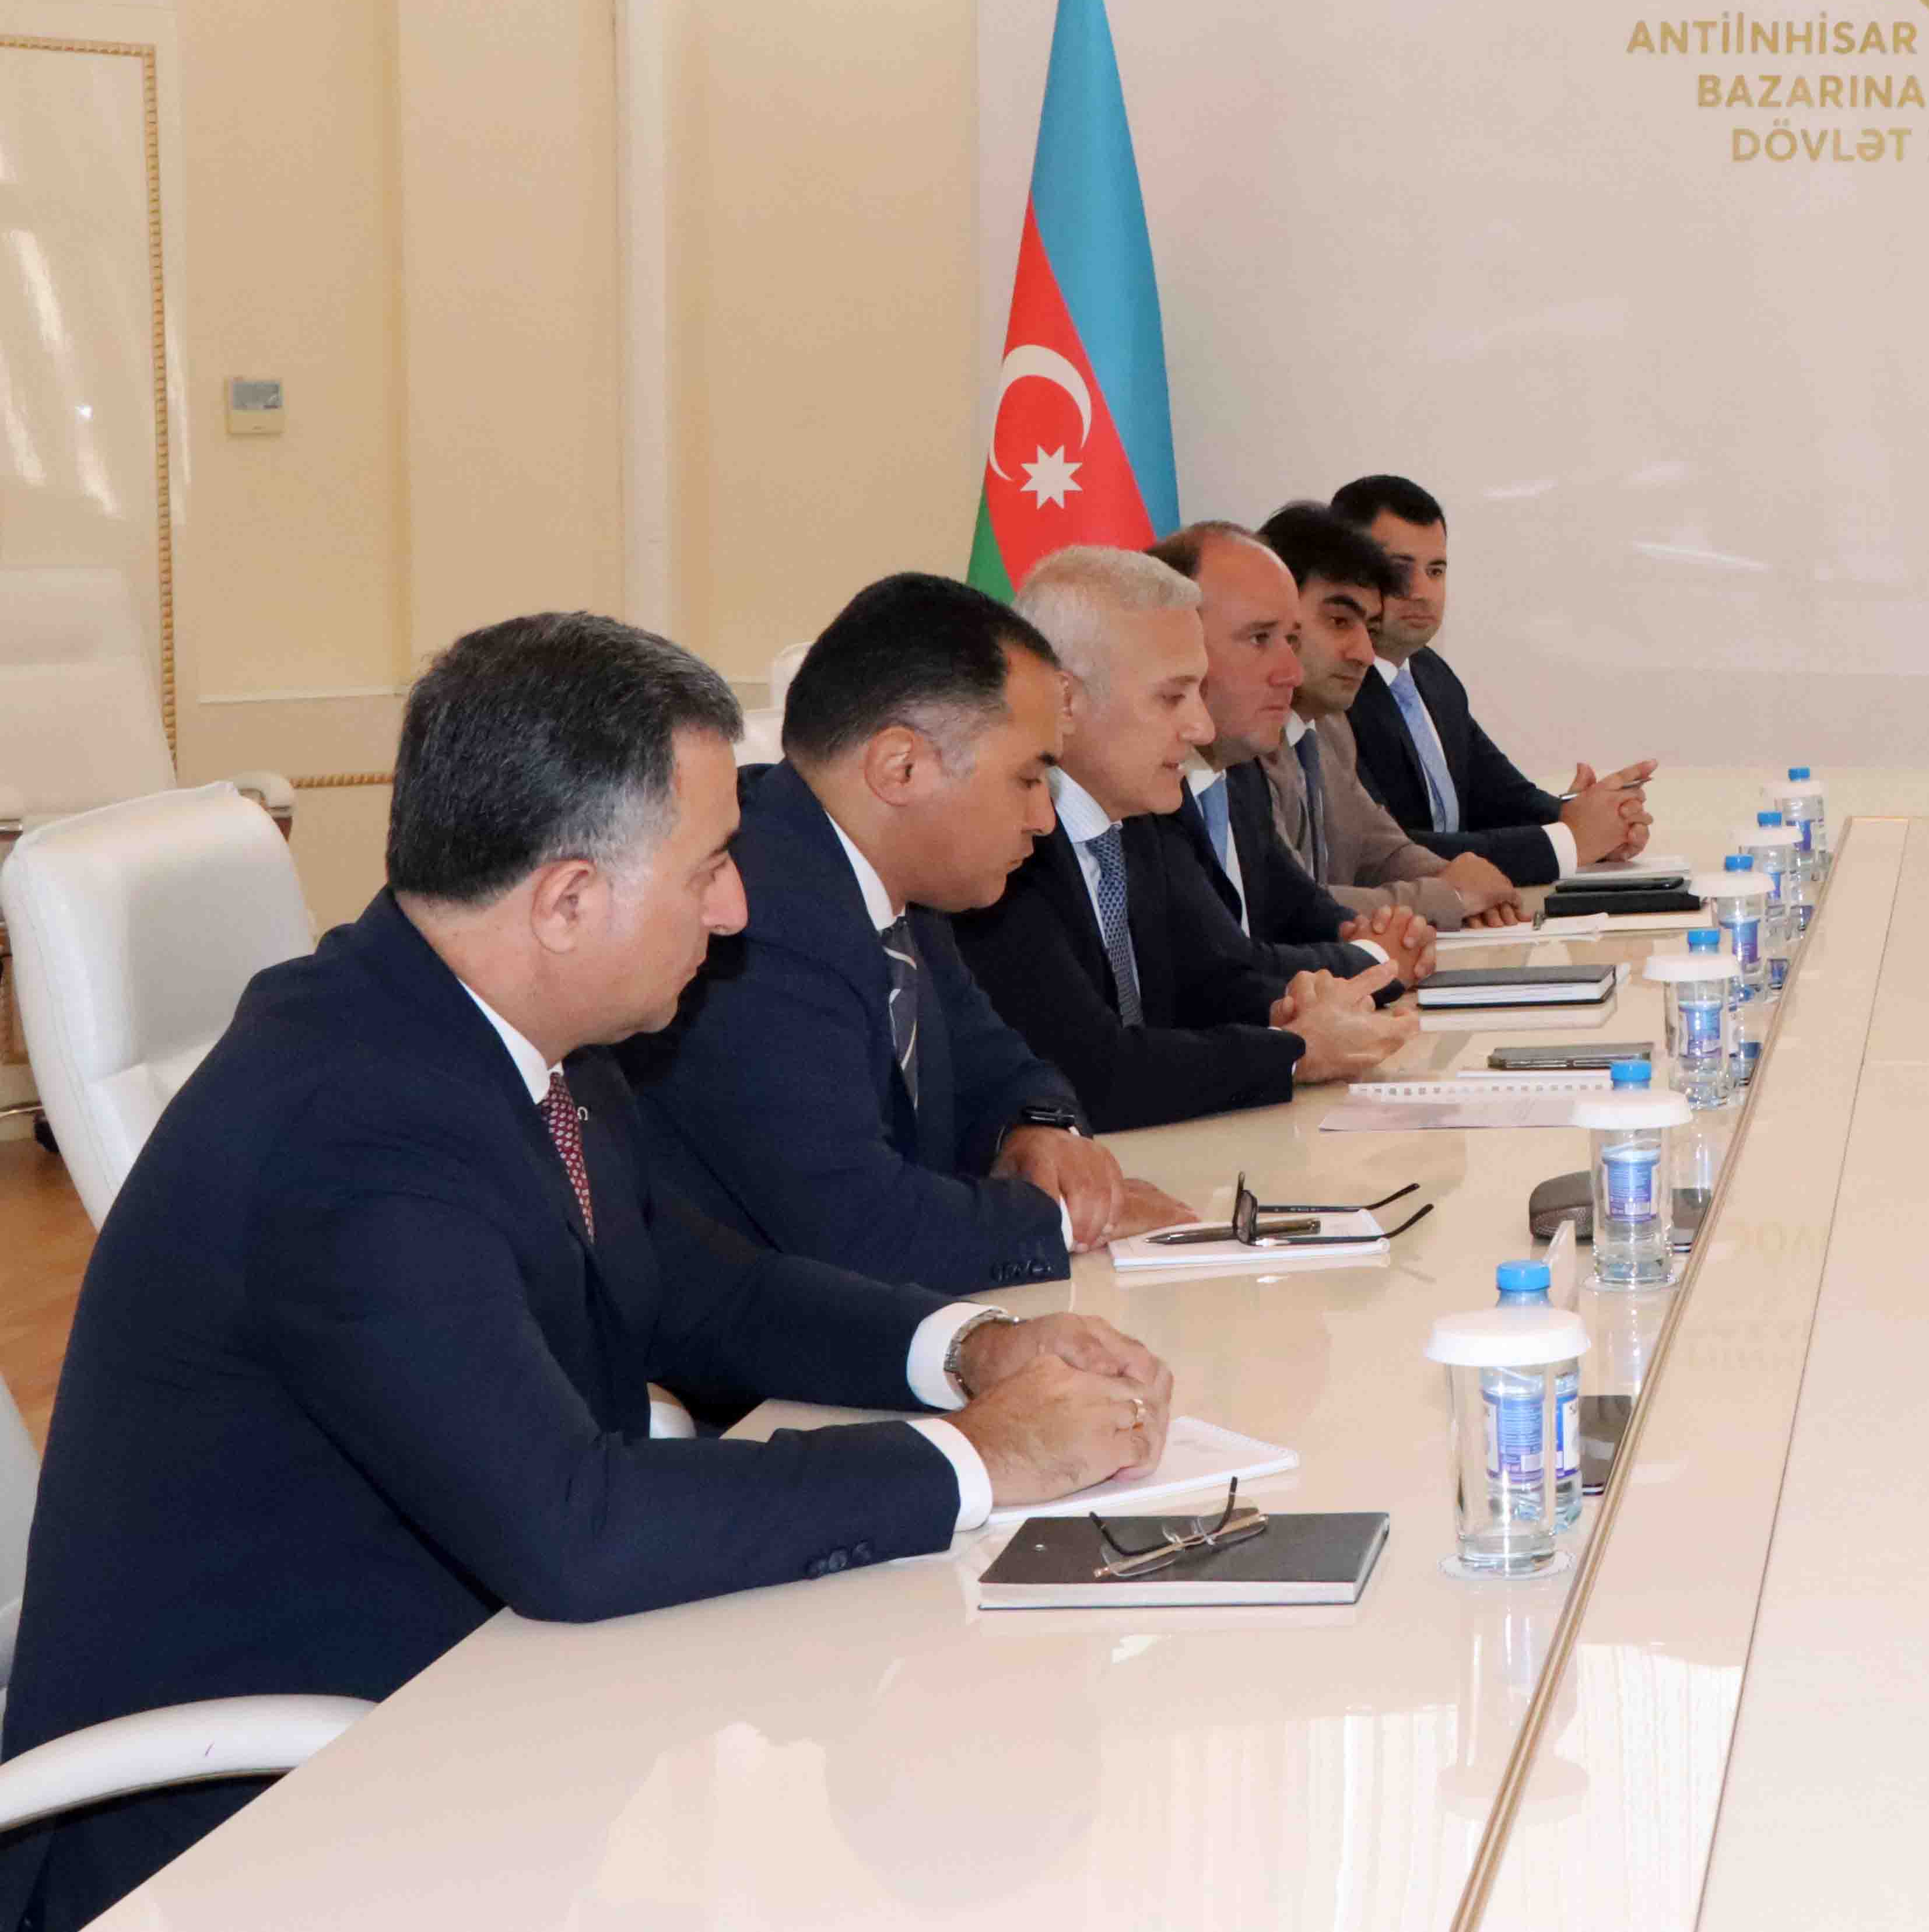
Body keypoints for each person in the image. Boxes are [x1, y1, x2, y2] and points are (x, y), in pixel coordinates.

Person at [0, 615, 1176, 1932]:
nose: (736, 909)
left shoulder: (507, 1031)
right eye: (711, 865)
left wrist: (968, 1350)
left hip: (475, 1710)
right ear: (566, 901)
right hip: (246, 1831)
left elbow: (702, 1288)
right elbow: (574, 1527)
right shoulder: (352, 1125)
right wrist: (982, 1457)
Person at [627, 573, 1189, 1295]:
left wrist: (1039, 1129)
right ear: (901, 766)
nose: (1043, 819)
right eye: (1027, 778)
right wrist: (1060, 1219)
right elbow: (857, 1226)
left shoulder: (897, 887)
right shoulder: (753, 923)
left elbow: (1003, 1067)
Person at [957, 545, 1414, 1123]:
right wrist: (1296, 1052)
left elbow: (1208, 984)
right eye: (1172, 697)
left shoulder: (1139, 818)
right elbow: (1093, 1071)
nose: (1200, 726)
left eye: (1199, 692)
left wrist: (1299, 1007)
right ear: (1065, 701)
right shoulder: (1006, 844)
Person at [1327, 472, 1654, 886]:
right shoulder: (1334, 695)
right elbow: (1387, 851)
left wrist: (1592, 819)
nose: (1422, 592)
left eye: (1436, 570)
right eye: (1399, 570)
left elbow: (1501, 798)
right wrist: (1570, 841)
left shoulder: (1432, 675)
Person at [1150, 521, 1437, 981]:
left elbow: (1297, 907)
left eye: (1291, 641)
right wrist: (1375, 960)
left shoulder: (1237, 773)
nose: (1291, 673)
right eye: (1260, 639)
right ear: (1176, 645)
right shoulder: (1145, 796)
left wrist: (1377, 936)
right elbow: (1220, 972)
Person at [1254, 500, 1523, 930]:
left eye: (1369, 627)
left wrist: (1460, 880)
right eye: (1339, 622)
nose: (1364, 653)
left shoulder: (1330, 727)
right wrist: (1449, 896)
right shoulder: (1241, 746)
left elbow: (1380, 849)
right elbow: (1287, 906)